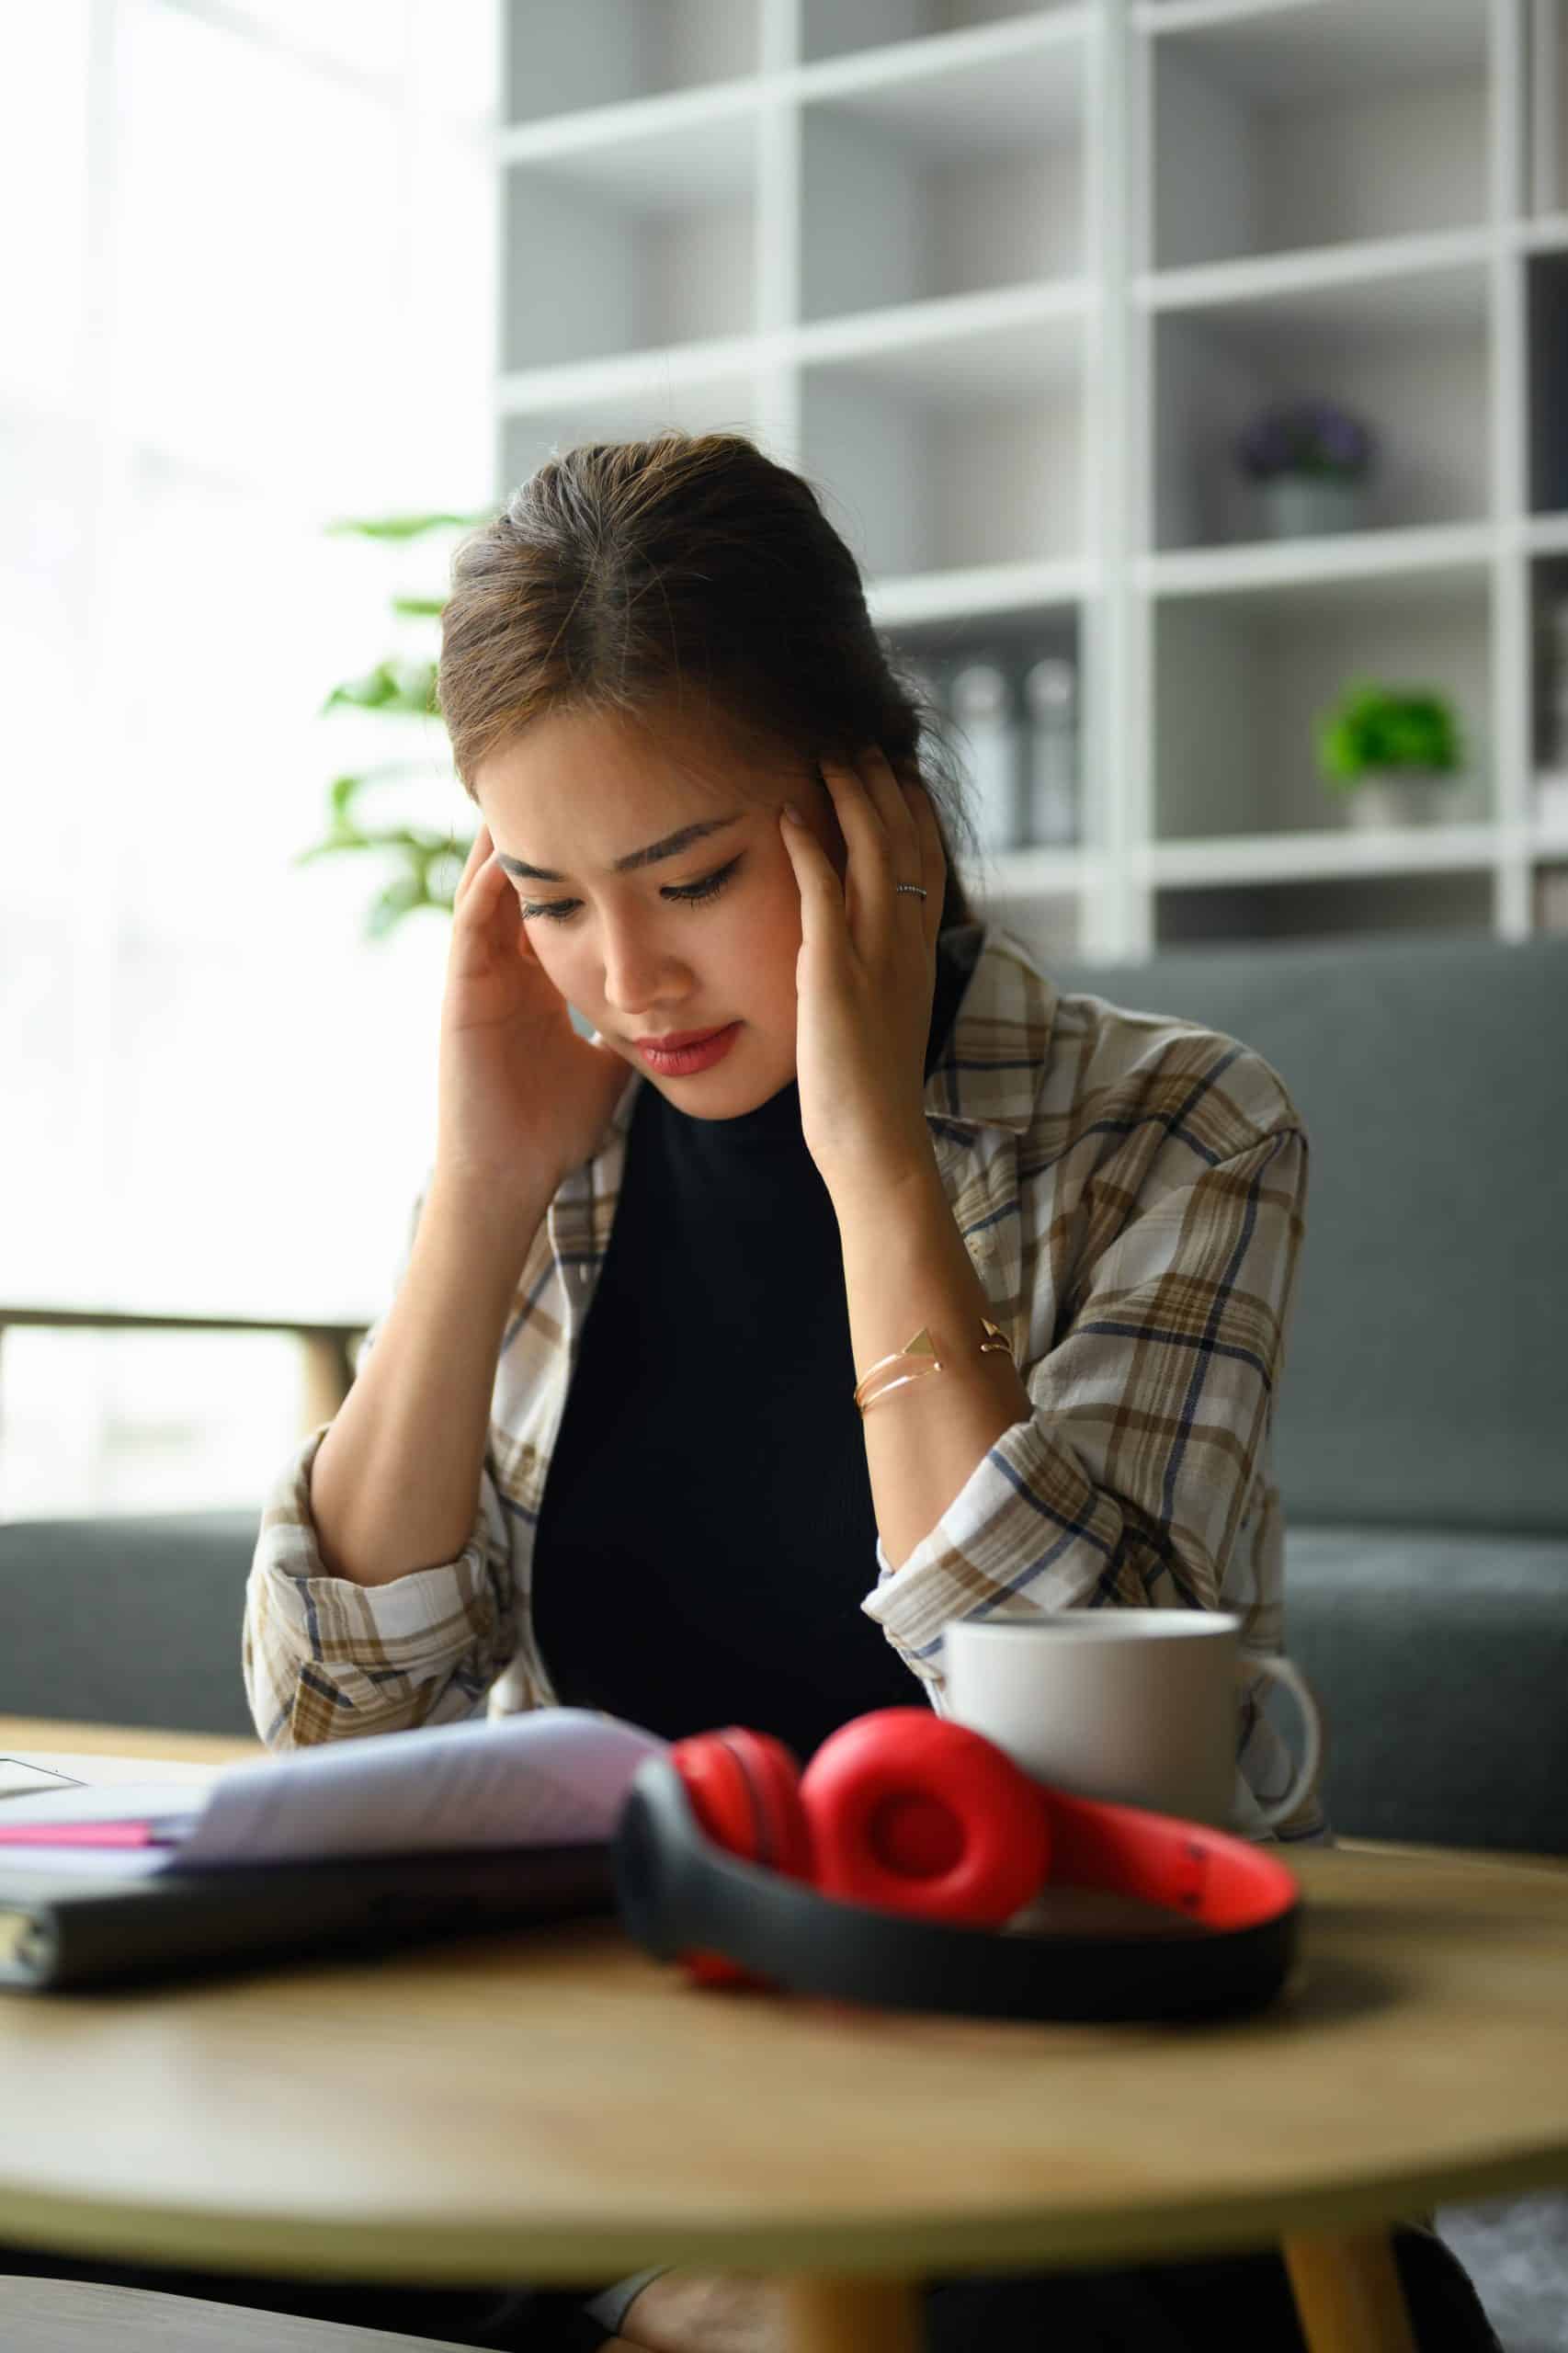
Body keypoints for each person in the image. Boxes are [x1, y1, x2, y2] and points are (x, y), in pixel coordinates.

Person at [20, 430, 1497, 2351]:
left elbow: (1081, 1725)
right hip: (587, 2067)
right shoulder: (565, 1154)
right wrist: (476, 1192)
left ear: (872, 802)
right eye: (548, 898)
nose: (624, 977)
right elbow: (328, 1714)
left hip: (1026, 2088)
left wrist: (868, 1146)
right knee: (90, 2197)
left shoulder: (1176, 1128)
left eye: (691, 876)